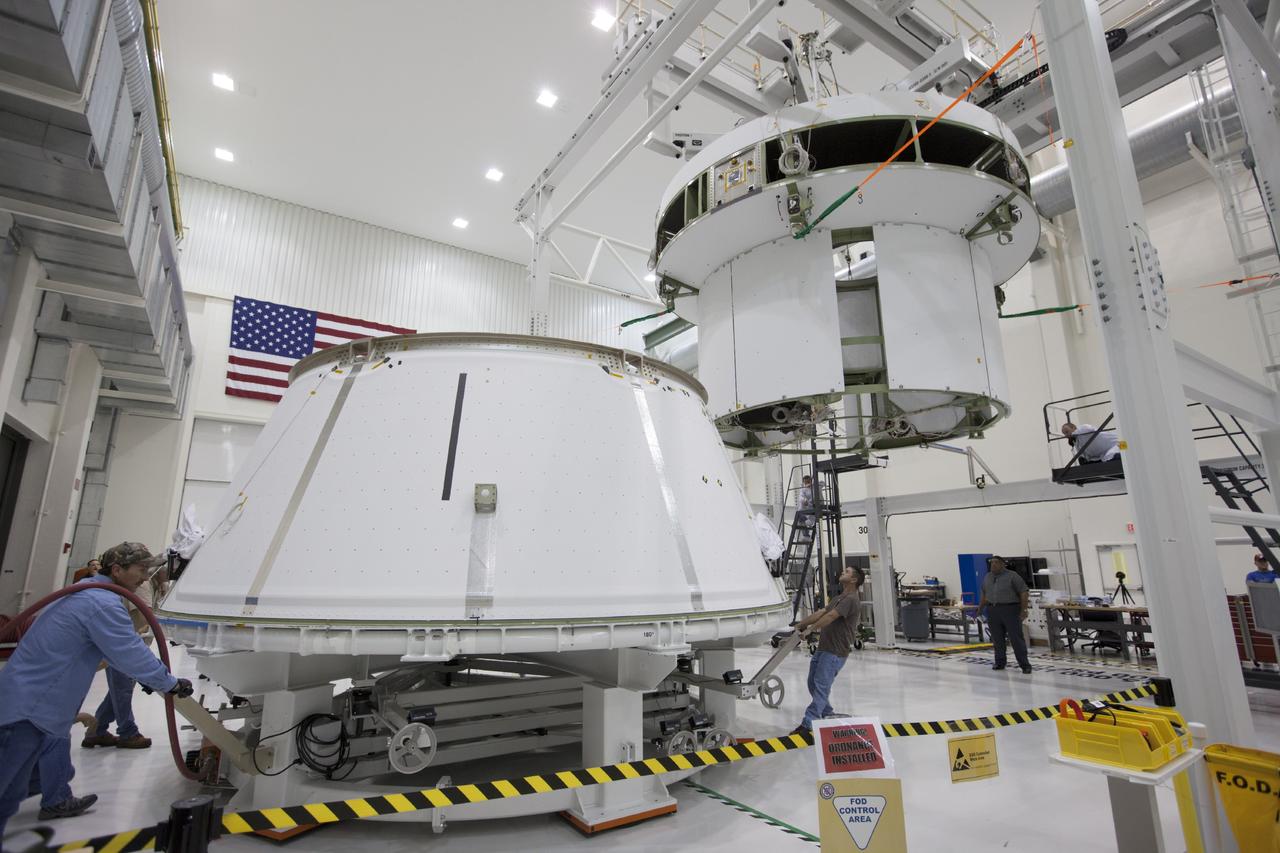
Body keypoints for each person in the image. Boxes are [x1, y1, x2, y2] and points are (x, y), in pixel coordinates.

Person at [0, 542, 193, 843]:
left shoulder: (87, 593)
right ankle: (56, 798)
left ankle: (55, 797)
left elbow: (117, 653)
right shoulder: (100, 603)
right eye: (140, 569)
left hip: (34, 706)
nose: (145, 576)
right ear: (117, 570)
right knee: (4, 791)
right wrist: (169, 682)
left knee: (11, 793)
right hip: (29, 709)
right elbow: (127, 651)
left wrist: (153, 676)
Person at [83, 560, 169, 750]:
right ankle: (128, 732)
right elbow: (142, 617)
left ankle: (96, 732)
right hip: (124, 646)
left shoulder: (159, 584)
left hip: (132, 645)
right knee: (122, 689)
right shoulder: (144, 585)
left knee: (118, 690)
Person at [791, 566, 863, 734]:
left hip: (835, 651)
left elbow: (830, 617)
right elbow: (822, 612)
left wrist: (810, 630)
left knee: (822, 686)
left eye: (846, 571)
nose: (841, 572)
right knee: (812, 683)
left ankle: (809, 723)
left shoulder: (851, 599)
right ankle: (827, 712)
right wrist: (801, 624)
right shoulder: (839, 597)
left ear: (853, 580)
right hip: (825, 648)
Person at [979, 556, 1032, 674]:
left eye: (996, 563)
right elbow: (984, 594)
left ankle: (1025, 665)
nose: (993, 565)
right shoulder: (987, 577)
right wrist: (980, 609)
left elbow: (1023, 592)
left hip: (1010, 609)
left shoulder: (1013, 576)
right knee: (997, 639)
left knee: (1016, 639)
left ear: (1003, 564)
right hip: (993, 610)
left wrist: (1024, 610)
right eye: (991, 563)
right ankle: (999, 662)